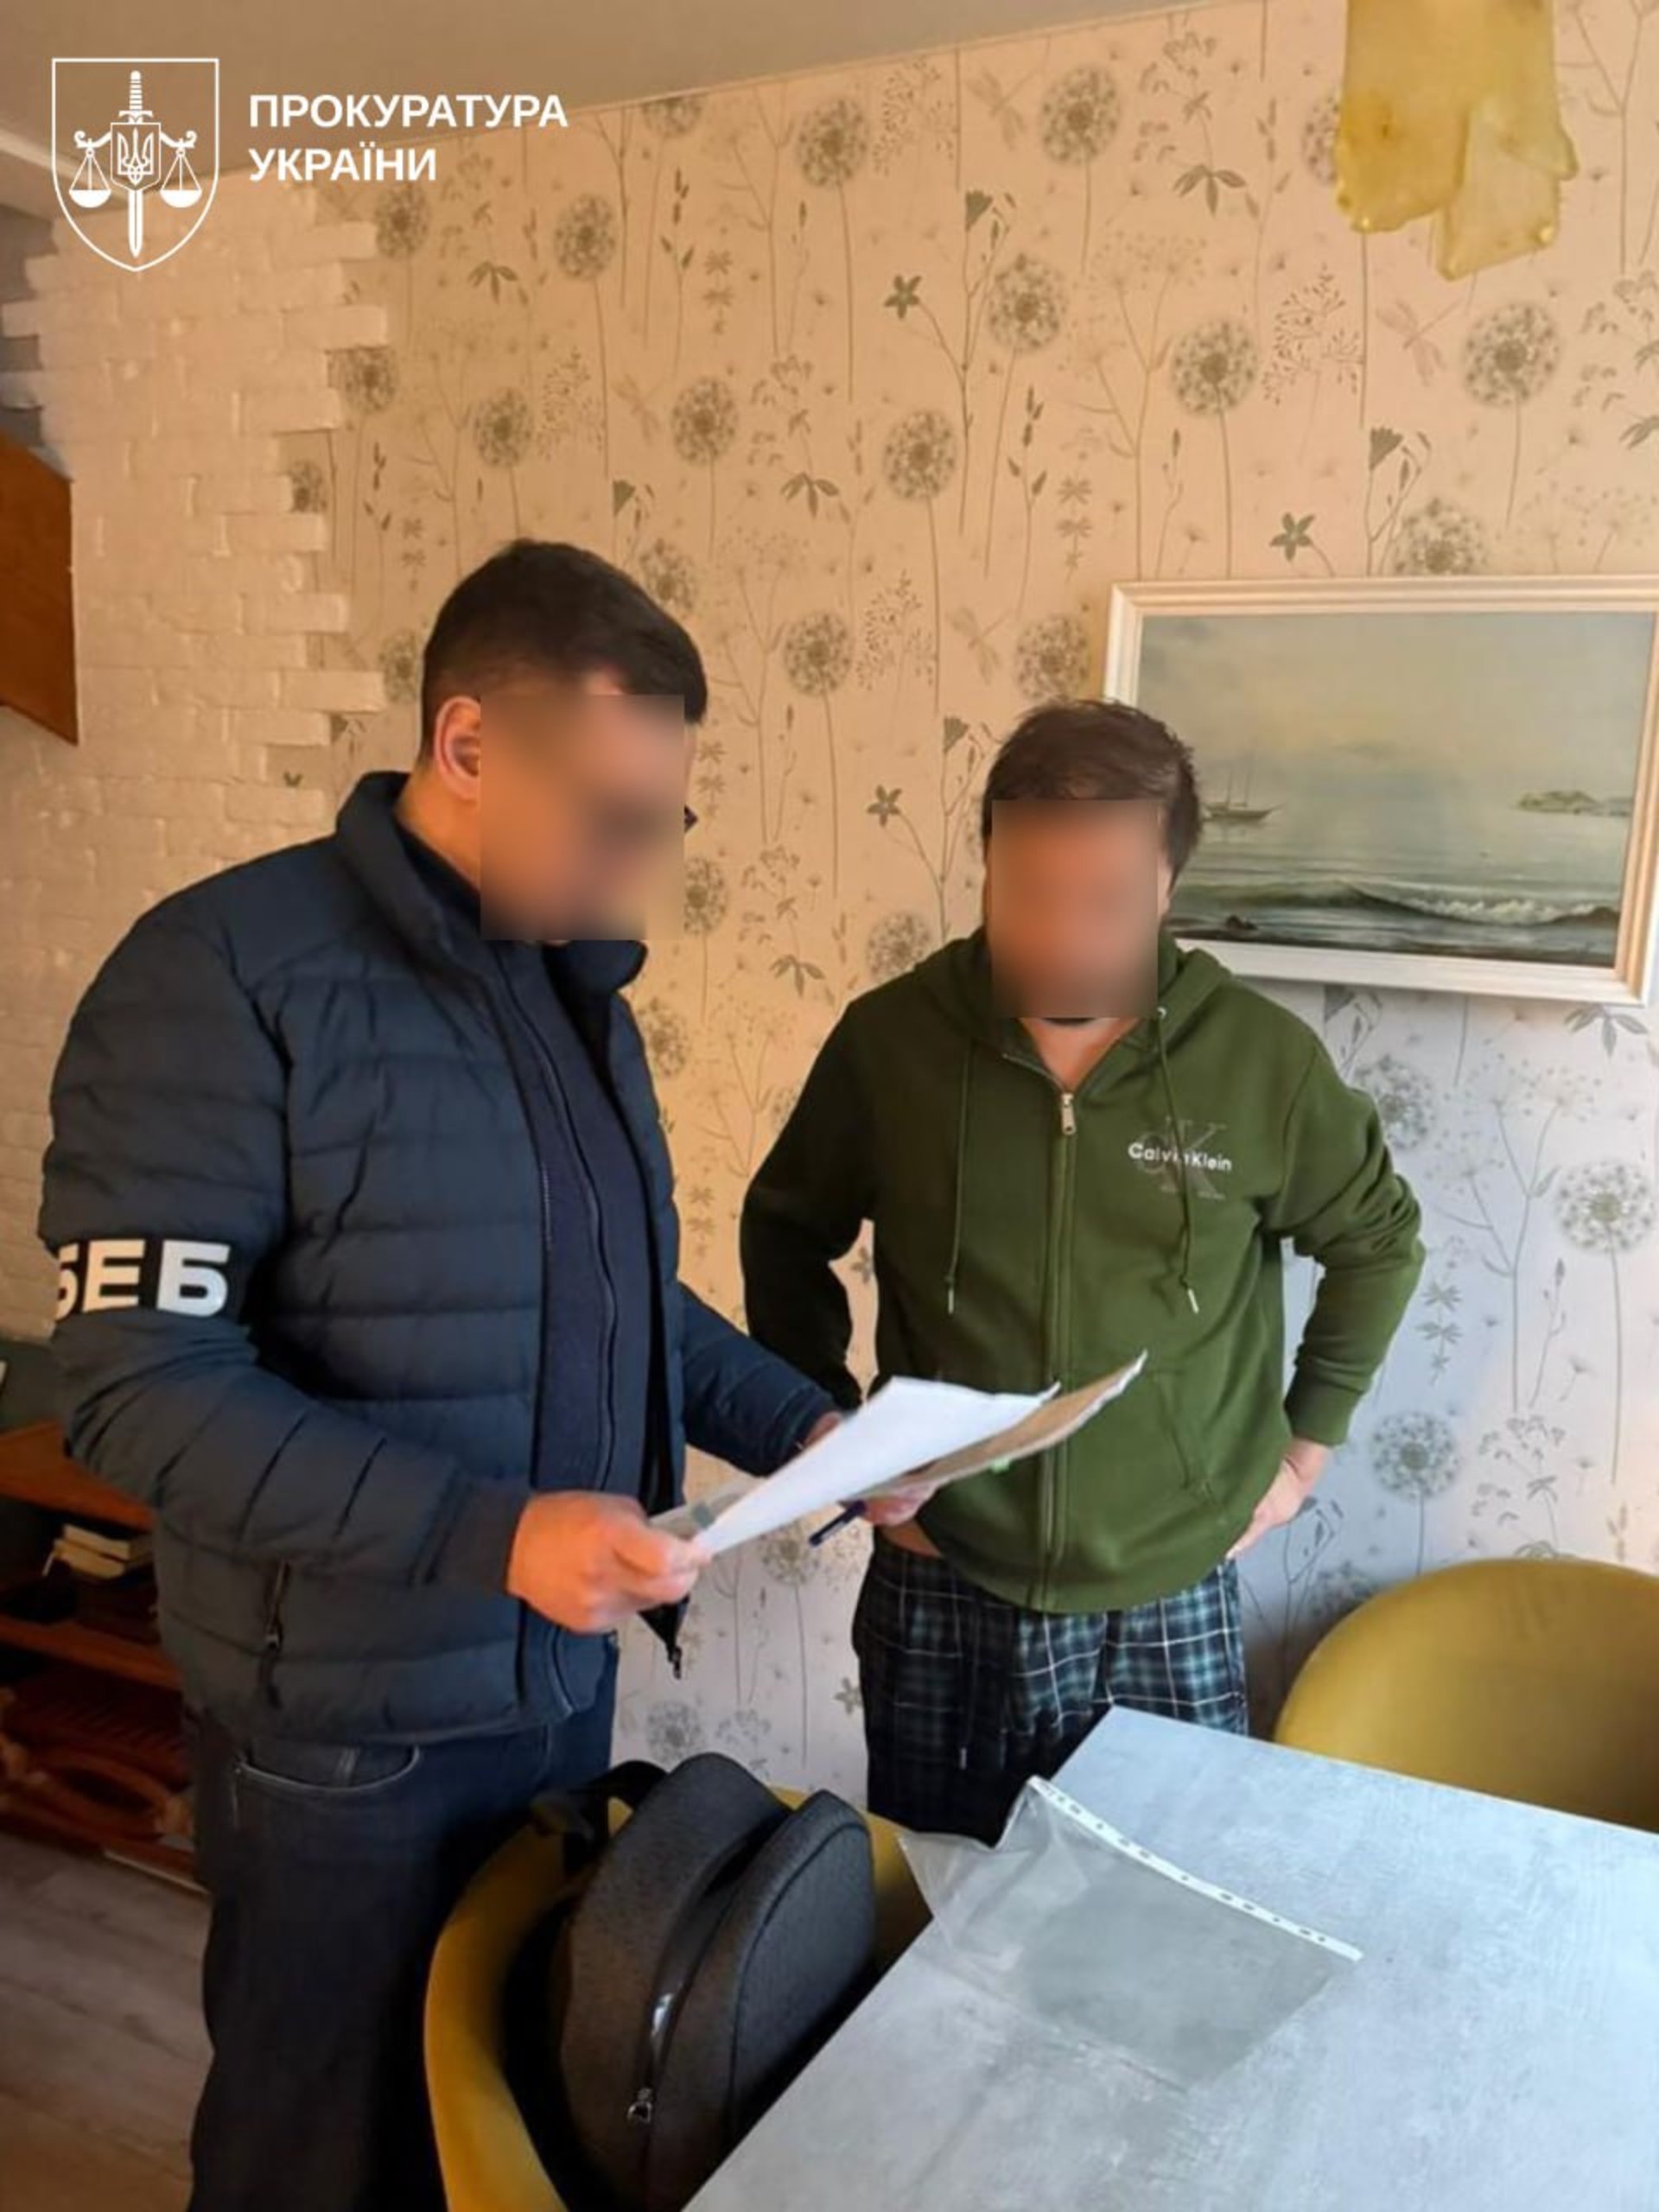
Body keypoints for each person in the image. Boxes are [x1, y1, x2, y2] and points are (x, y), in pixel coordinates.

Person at [37, 538, 839, 2212]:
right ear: (466, 744)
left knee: (484, 2125)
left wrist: (814, 1429)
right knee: (315, 2154)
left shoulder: (567, 989)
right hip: (344, 1738)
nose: (634, 871)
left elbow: (617, 1299)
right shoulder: (220, 976)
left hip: (549, 1691)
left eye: (661, 824)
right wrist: (496, 1534)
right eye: (612, 817)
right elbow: (131, 1382)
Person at [741, 699, 1425, 1843]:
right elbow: (784, 1226)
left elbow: (1378, 1243)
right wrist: (827, 1434)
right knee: (935, 1902)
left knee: (1154, 1915)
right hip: (942, 1570)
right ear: (987, 863)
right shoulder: (892, 1043)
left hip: (1170, 1582)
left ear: (1167, 885)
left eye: (1103, 898)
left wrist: (1301, 1457)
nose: (1060, 931)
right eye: (1028, 891)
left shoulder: (1262, 1063)